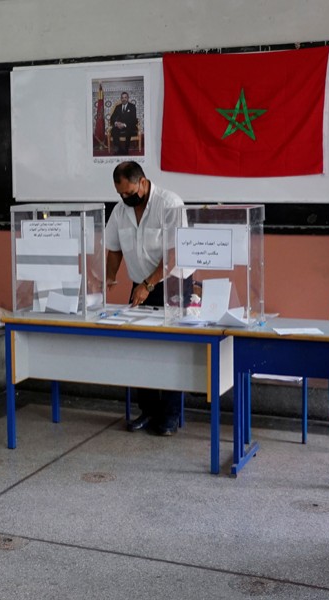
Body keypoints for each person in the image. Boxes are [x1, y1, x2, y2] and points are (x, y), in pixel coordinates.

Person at [104, 161, 188, 436]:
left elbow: (175, 254)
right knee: (140, 348)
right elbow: (114, 250)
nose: (125, 199)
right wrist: (108, 278)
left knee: (173, 352)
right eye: (121, 194)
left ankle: (170, 416)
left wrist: (149, 285)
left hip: (172, 285)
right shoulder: (120, 211)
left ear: (142, 182)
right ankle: (148, 410)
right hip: (140, 287)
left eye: (129, 193)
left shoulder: (170, 204)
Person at [110, 92, 138, 156]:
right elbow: (112, 118)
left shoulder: (132, 106)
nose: (124, 99)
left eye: (125, 97)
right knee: (114, 130)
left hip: (129, 125)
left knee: (129, 130)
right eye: (122, 98)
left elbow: (133, 119)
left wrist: (124, 124)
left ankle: (126, 150)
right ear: (121, 99)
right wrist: (116, 123)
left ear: (128, 98)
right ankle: (119, 149)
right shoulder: (118, 107)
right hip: (119, 126)